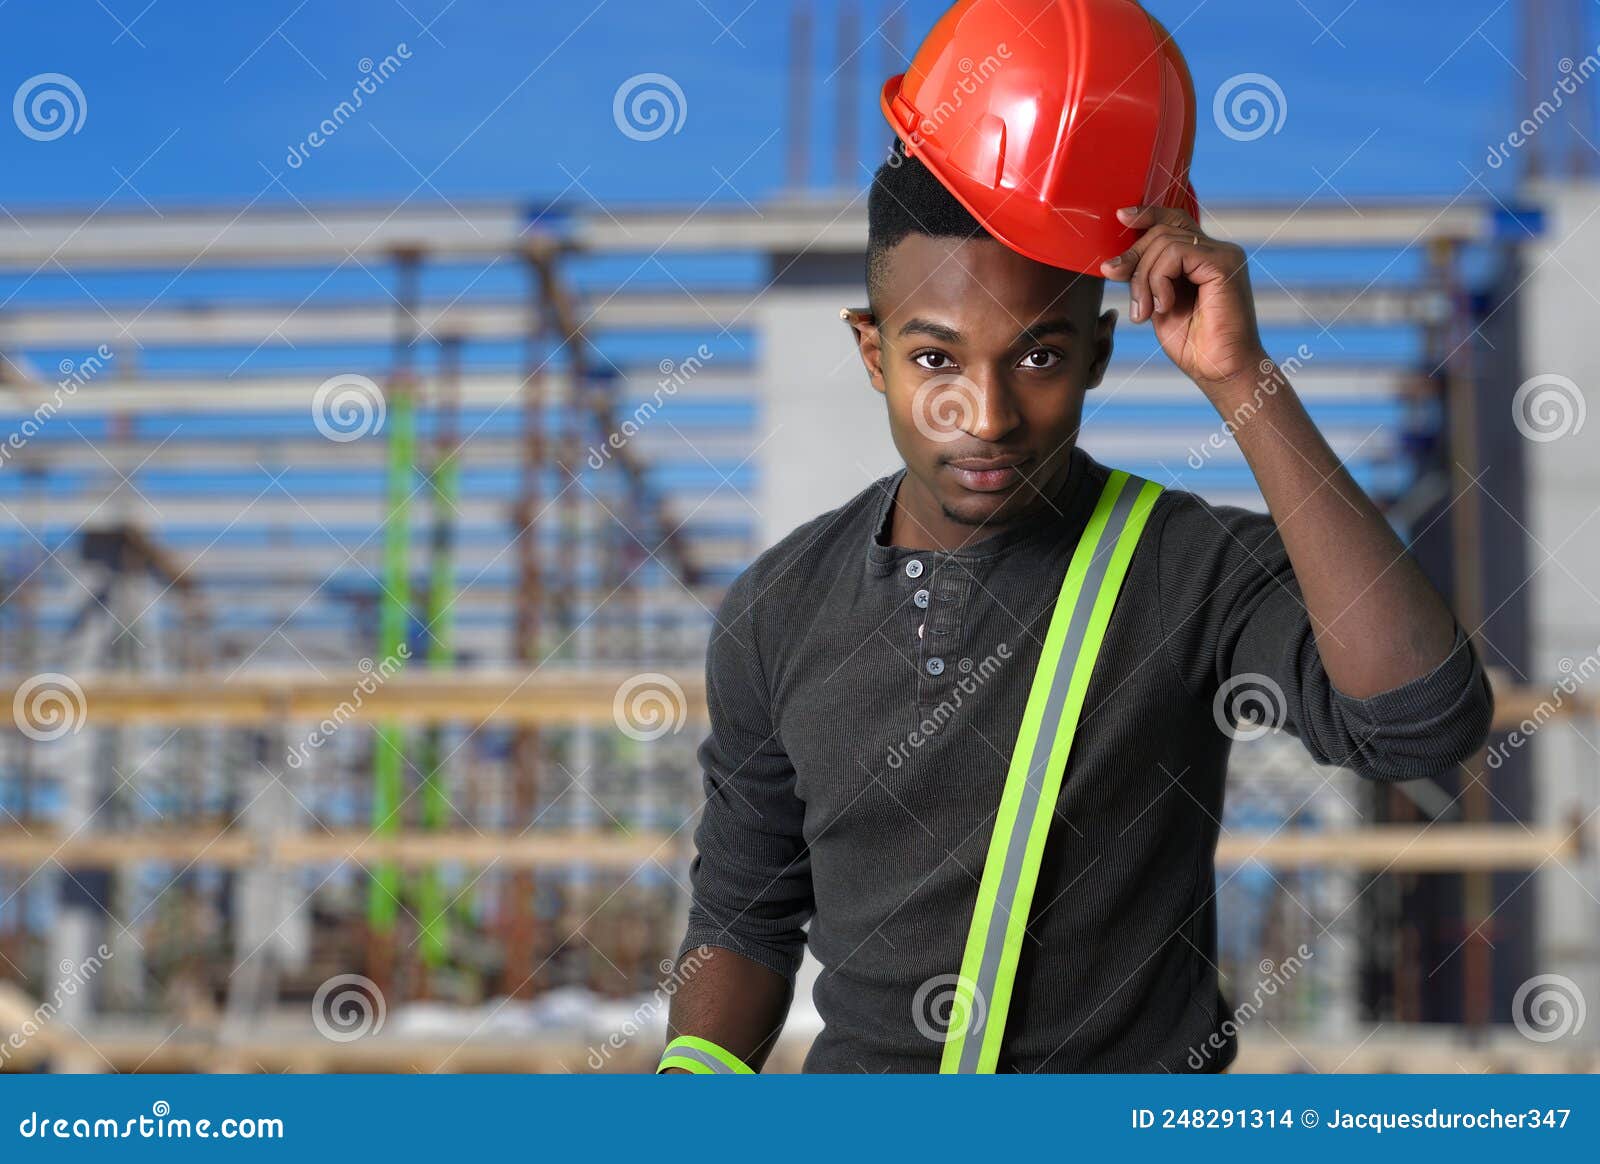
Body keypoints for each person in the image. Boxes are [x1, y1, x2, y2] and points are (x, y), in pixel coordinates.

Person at [658, 136, 1494, 1073]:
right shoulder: (779, 604)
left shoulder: (1192, 565)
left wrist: (1239, 377)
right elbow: (745, 909)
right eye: (936, 358)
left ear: (1098, 352)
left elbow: (1420, 723)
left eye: (1039, 356)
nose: (986, 415)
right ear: (872, 351)